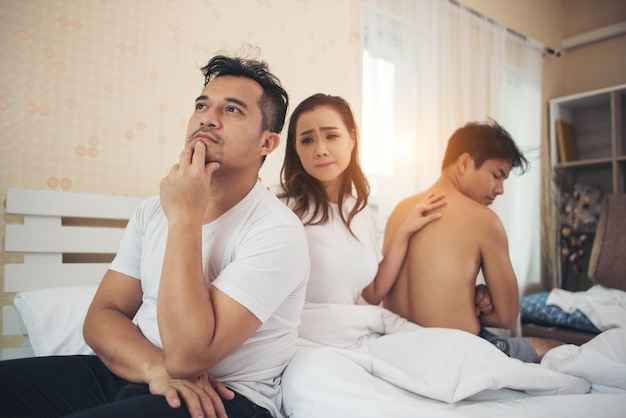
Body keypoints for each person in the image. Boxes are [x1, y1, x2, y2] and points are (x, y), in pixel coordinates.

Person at [0, 53, 309, 418]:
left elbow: (188, 356)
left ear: (267, 144)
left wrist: (184, 218)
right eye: (201, 105)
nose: (207, 118)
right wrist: (154, 370)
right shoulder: (151, 210)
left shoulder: (277, 231)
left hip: (222, 400)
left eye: (232, 110)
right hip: (134, 371)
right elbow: (102, 316)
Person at [382, 120, 563, 363]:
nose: (500, 190)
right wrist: (473, 305)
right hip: (455, 355)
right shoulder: (485, 221)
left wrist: (462, 298)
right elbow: (507, 317)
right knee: (557, 348)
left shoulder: (400, 210)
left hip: (399, 348)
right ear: (465, 162)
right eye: (496, 176)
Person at [277, 93, 449, 306]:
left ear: (352, 139)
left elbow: (374, 292)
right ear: (296, 148)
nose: (320, 150)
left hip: (352, 331)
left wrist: (404, 232)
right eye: (307, 140)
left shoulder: (362, 215)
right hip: (302, 335)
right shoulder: (277, 204)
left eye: (331, 136)